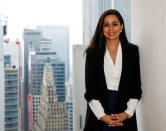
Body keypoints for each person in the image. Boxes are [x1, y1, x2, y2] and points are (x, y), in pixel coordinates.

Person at [83, 9, 142, 131]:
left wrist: (127, 113)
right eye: (106, 25)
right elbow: (90, 91)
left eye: (114, 24)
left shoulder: (132, 51)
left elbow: (136, 88)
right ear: (101, 28)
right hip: (98, 112)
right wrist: (102, 116)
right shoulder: (92, 53)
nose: (110, 28)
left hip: (125, 111)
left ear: (121, 26)